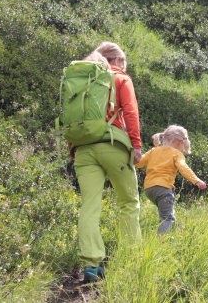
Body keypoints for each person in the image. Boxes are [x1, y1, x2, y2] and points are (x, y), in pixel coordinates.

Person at [73, 42, 142, 283]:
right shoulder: (120, 78)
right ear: (116, 60)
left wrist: (73, 149)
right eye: (123, 62)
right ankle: (131, 258)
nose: (125, 66)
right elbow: (131, 112)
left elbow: (71, 116)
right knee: (128, 202)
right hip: (113, 145)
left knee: (89, 205)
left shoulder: (81, 79)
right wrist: (136, 146)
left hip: (82, 148)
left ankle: (91, 265)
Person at [135, 125, 207, 235]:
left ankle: (174, 234)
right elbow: (183, 168)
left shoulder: (154, 150)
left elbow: (138, 163)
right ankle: (161, 242)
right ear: (180, 142)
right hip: (163, 189)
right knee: (167, 219)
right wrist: (196, 180)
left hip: (149, 189)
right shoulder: (176, 153)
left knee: (168, 214)